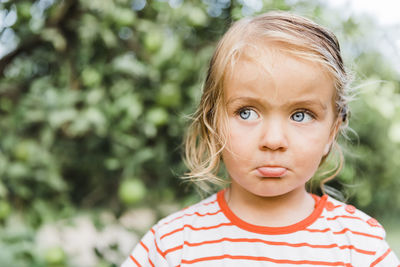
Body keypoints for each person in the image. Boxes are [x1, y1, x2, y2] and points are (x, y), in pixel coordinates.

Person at [121, 11, 400, 266]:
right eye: (247, 113)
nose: (273, 140)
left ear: (332, 131)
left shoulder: (360, 244)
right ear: (212, 122)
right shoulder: (172, 245)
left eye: (301, 115)